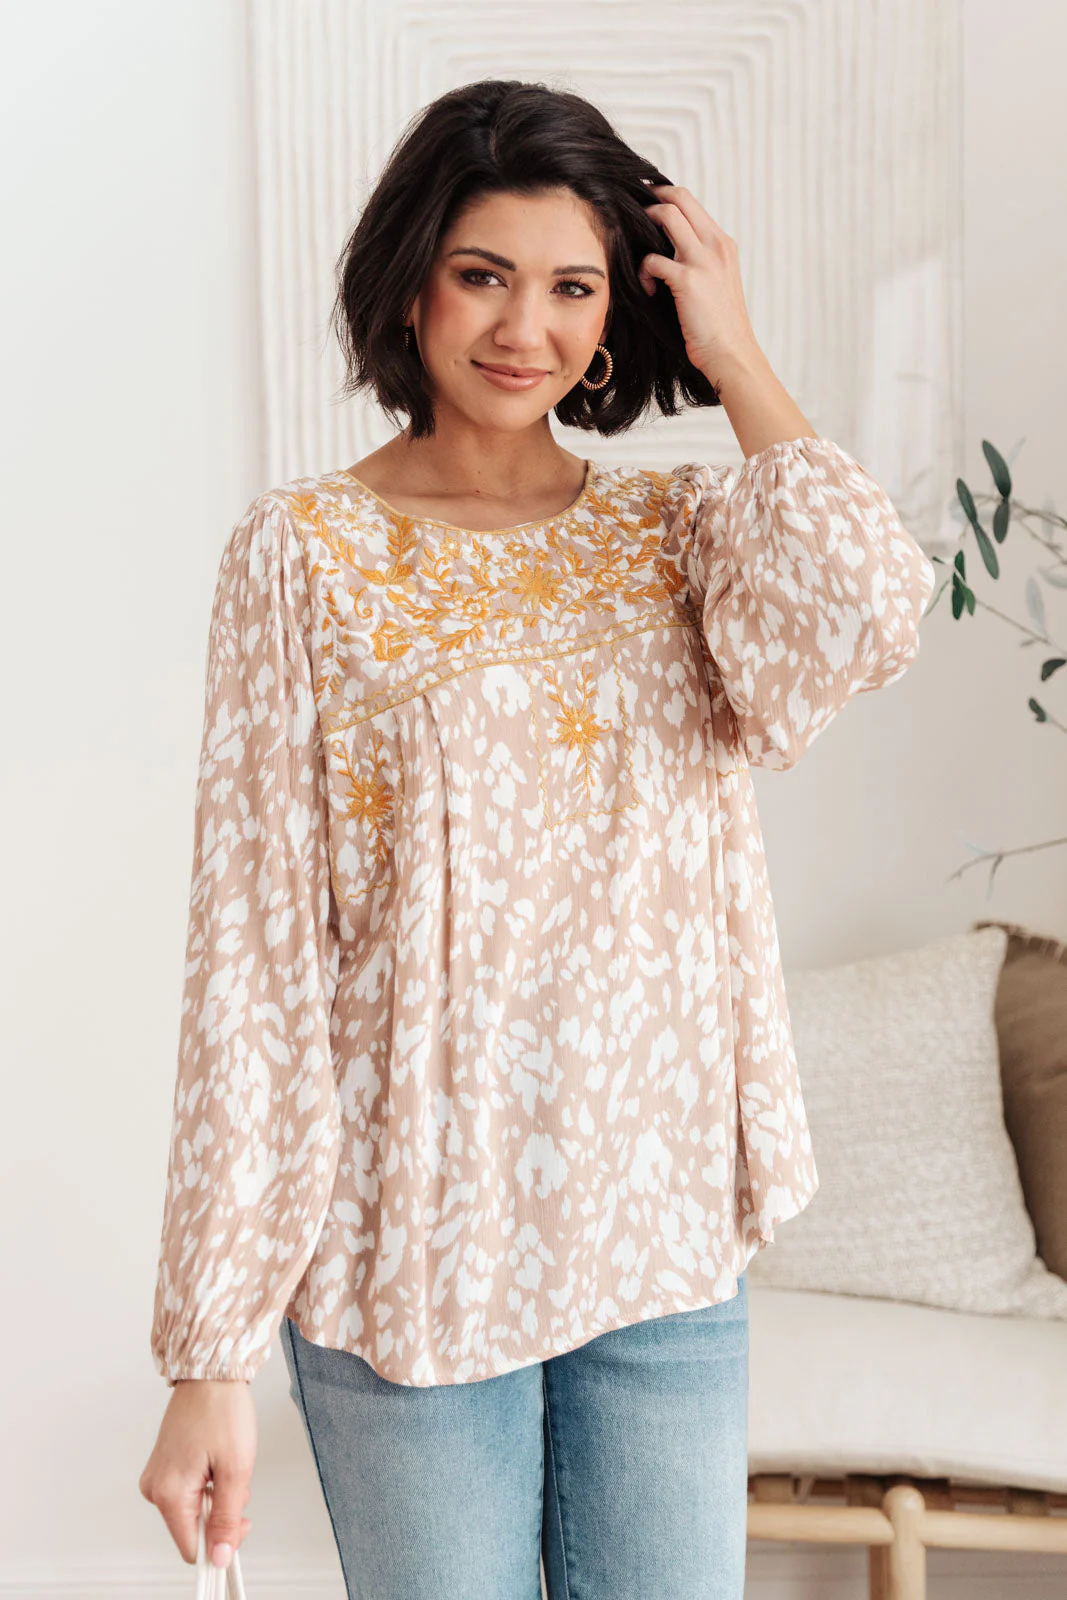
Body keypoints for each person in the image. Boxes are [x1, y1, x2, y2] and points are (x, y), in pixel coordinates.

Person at [138, 78, 936, 1600]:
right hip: (408, 1260)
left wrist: (733, 348)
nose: (526, 327)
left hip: (662, 1243)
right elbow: (251, 961)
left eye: (573, 286)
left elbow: (868, 607)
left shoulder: (683, 538)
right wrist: (207, 1353)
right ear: (412, 283)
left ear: (619, 309)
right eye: (483, 274)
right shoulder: (302, 556)